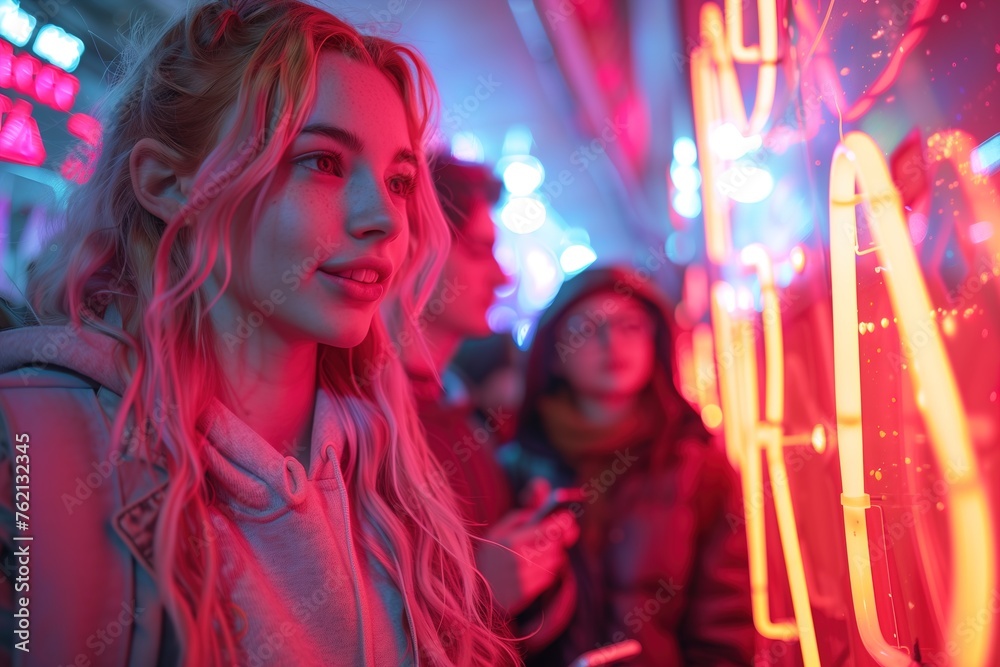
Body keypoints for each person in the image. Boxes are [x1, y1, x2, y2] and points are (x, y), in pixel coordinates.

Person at [0, 2, 517, 665]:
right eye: (323, 161)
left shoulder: (395, 472)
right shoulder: (32, 443)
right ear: (167, 184)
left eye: (398, 180)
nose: (385, 219)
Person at [500, 266, 755, 666]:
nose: (611, 342)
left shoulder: (699, 470)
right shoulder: (515, 467)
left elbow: (725, 626)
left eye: (630, 326)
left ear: (656, 341)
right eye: (587, 328)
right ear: (554, 355)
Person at [404, 152, 578, 657]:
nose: (502, 275)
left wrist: (527, 542)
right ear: (417, 250)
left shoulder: (459, 414)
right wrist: (482, 594)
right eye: (480, 250)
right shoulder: (368, 426)